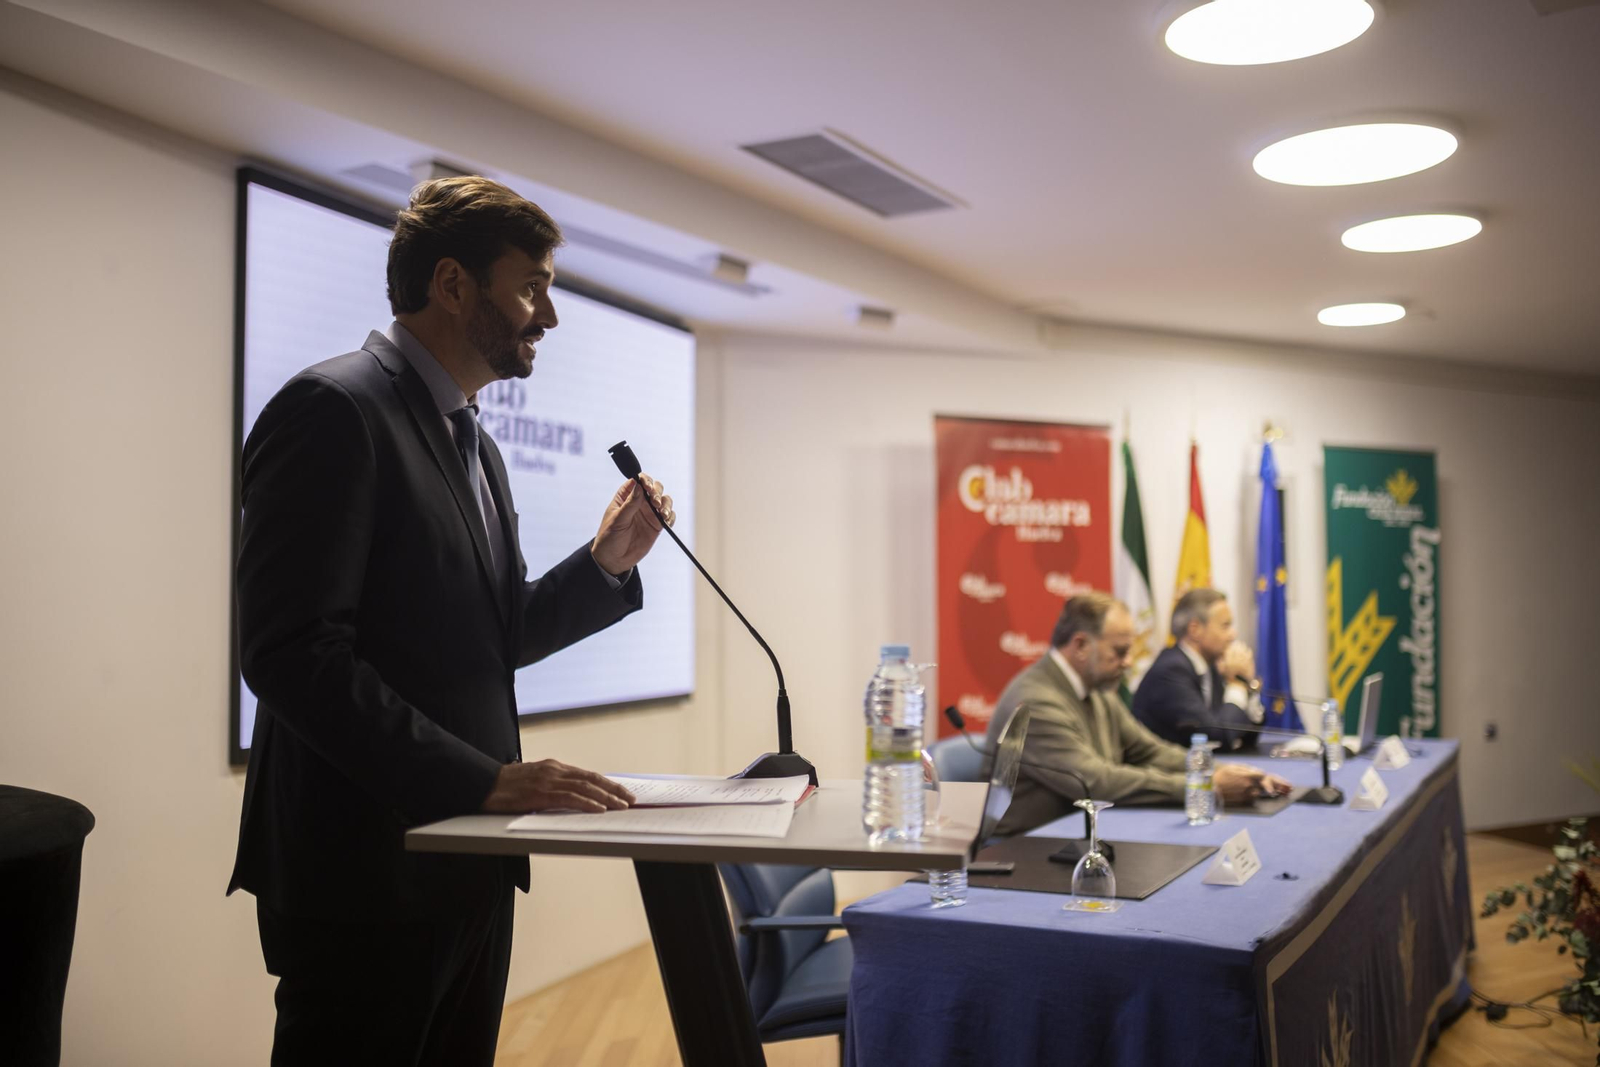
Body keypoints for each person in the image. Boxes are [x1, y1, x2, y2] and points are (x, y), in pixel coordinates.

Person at [227, 176, 672, 1065]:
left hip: (464, 866)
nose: (548, 315)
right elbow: (290, 652)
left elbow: (494, 633)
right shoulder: (335, 409)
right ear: (453, 285)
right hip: (364, 875)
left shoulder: (479, 441)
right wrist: (479, 778)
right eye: (531, 285)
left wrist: (605, 565)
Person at [983, 592, 1288, 836]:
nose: (1129, 662)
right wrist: (1205, 785)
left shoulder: (1096, 690)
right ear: (1080, 645)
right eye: (1119, 651)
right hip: (1022, 849)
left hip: (1074, 835)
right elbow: (1097, 781)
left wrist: (1225, 771)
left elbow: (1149, 750)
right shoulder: (1036, 702)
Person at [1133, 589, 1264, 751]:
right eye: (1225, 626)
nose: (1233, 634)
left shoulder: (1209, 667)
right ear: (1195, 629)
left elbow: (1245, 736)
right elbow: (1218, 738)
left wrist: (1247, 685)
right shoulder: (1171, 671)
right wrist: (1236, 684)